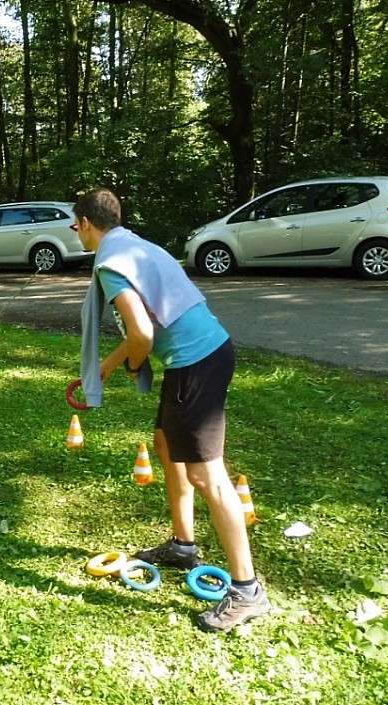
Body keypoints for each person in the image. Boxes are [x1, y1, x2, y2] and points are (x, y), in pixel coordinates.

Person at [74, 187, 270, 633]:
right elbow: (144, 327)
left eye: (76, 225)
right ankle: (184, 546)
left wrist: (135, 361)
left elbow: (141, 333)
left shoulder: (109, 262)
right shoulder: (135, 244)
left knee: (206, 474)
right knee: (166, 445)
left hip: (195, 362)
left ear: (85, 223)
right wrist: (107, 366)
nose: (78, 232)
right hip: (207, 353)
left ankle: (247, 590)